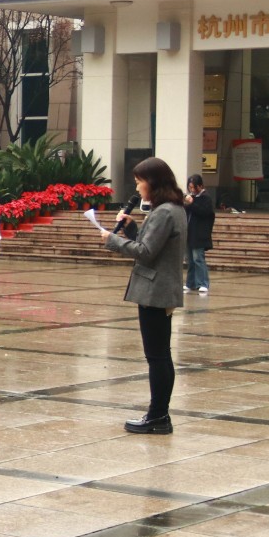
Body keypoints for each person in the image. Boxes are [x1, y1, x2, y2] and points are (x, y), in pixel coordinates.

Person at [99, 157, 188, 435]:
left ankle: (158, 416)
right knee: (161, 355)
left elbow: (147, 253)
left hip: (155, 290)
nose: (137, 188)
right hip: (161, 288)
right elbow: (154, 245)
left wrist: (113, 240)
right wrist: (132, 229)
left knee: (157, 356)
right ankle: (159, 414)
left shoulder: (164, 212)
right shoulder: (172, 209)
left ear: (153, 182)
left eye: (139, 182)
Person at [184, 174, 214, 294]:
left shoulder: (206, 198)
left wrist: (192, 204)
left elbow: (204, 212)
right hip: (189, 233)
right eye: (190, 187)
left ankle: (203, 283)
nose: (192, 190)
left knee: (198, 259)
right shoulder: (191, 197)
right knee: (190, 260)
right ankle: (190, 283)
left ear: (200, 186)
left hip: (199, 234)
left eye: (193, 187)